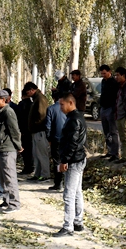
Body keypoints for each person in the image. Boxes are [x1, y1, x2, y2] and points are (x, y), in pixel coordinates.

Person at [53, 93, 87, 237]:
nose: (60, 107)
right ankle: (78, 222)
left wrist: (64, 161)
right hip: (78, 159)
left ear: (70, 103)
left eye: (62, 104)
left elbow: (72, 143)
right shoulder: (76, 117)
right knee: (77, 192)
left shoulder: (74, 120)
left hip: (73, 160)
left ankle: (68, 226)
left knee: (69, 194)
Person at [0, 90, 23, 213]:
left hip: (7, 149)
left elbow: (14, 131)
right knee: (3, 177)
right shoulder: (0, 111)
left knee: (10, 177)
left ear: (4, 99)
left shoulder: (8, 112)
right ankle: (6, 200)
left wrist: (18, 146)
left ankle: (14, 203)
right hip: (0, 148)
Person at [24, 82, 51, 182]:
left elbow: (42, 115)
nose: (27, 94)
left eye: (28, 91)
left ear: (32, 90)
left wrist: (36, 125)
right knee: (36, 155)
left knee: (42, 155)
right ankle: (38, 174)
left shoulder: (40, 99)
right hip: (35, 132)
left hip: (40, 131)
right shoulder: (36, 99)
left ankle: (45, 175)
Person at [46, 93, 68, 191]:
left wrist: (49, 139)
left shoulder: (51, 109)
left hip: (56, 139)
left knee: (57, 161)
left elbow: (48, 126)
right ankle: (66, 182)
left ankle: (58, 183)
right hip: (66, 139)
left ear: (53, 98)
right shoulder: (68, 108)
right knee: (66, 160)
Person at [98, 64, 120, 161]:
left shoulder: (114, 82)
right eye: (102, 74)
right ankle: (110, 151)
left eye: (104, 73)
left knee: (113, 131)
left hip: (111, 108)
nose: (103, 75)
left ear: (109, 72)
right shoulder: (103, 81)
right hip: (103, 108)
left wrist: (114, 108)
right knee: (106, 131)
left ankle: (115, 153)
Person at [17, 86, 35, 175]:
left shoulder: (22, 105)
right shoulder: (32, 104)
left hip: (23, 130)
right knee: (30, 150)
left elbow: (19, 117)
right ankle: (31, 166)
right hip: (30, 130)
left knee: (25, 150)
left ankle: (27, 167)